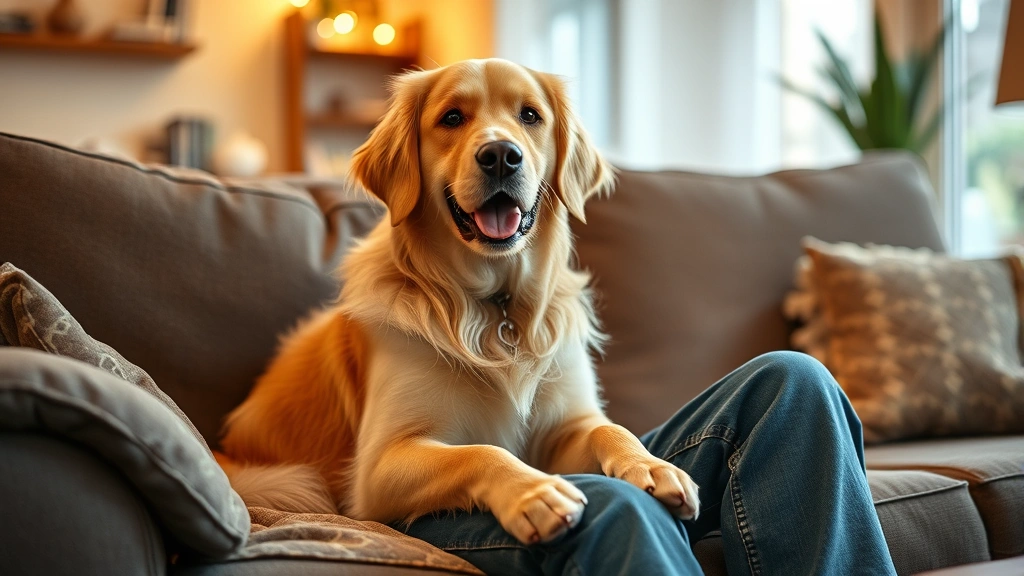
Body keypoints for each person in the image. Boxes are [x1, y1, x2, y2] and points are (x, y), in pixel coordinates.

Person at [400, 351, 897, 575]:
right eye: (451, 127)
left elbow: (567, 443)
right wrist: (493, 470)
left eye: (531, 127)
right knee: (617, 504)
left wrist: (622, 448)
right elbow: (380, 477)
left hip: (554, 478)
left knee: (793, 383)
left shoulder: (553, 292)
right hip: (437, 506)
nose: (501, 145)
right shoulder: (377, 315)